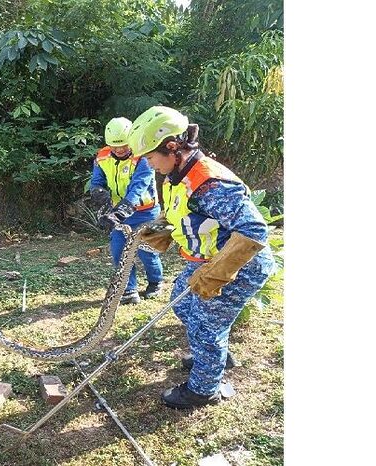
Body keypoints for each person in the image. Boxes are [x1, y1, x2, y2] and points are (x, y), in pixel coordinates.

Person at [127, 106, 276, 409]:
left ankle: (204, 389)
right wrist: (164, 230)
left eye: (151, 157)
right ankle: (214, 355)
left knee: (206, 325)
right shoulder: (178, 175)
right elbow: (188, 215)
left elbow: (253, 230)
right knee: (182, 303)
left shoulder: (210, 183)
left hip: (240, 266)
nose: (150, 164)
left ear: (172, 147)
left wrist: (216, 274)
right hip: (206, 261)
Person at [90, 117, 164, 304]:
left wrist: (120, 212)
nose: (119, 150)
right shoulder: (102, 157)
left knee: (146, 251)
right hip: (118, 213)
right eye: (115, 147)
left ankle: (156, 282)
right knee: (118, 250)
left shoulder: (143, 158)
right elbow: (97, 182)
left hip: (145, 211)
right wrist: (100, 196)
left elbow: (138, 189)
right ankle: (129, 289)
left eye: (123, 145)